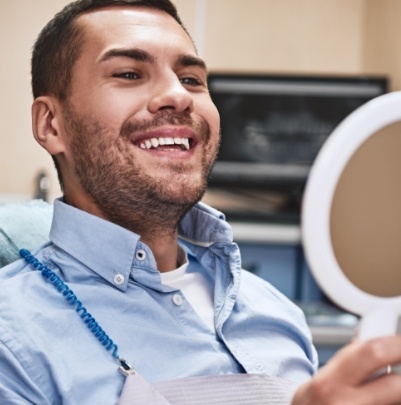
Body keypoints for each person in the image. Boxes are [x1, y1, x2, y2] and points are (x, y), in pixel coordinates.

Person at [0, 0, 401, 404]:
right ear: (51, 124)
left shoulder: (276, 312)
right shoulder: (12, 337)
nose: (177, 95)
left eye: (191, 79)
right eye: (128, 73)